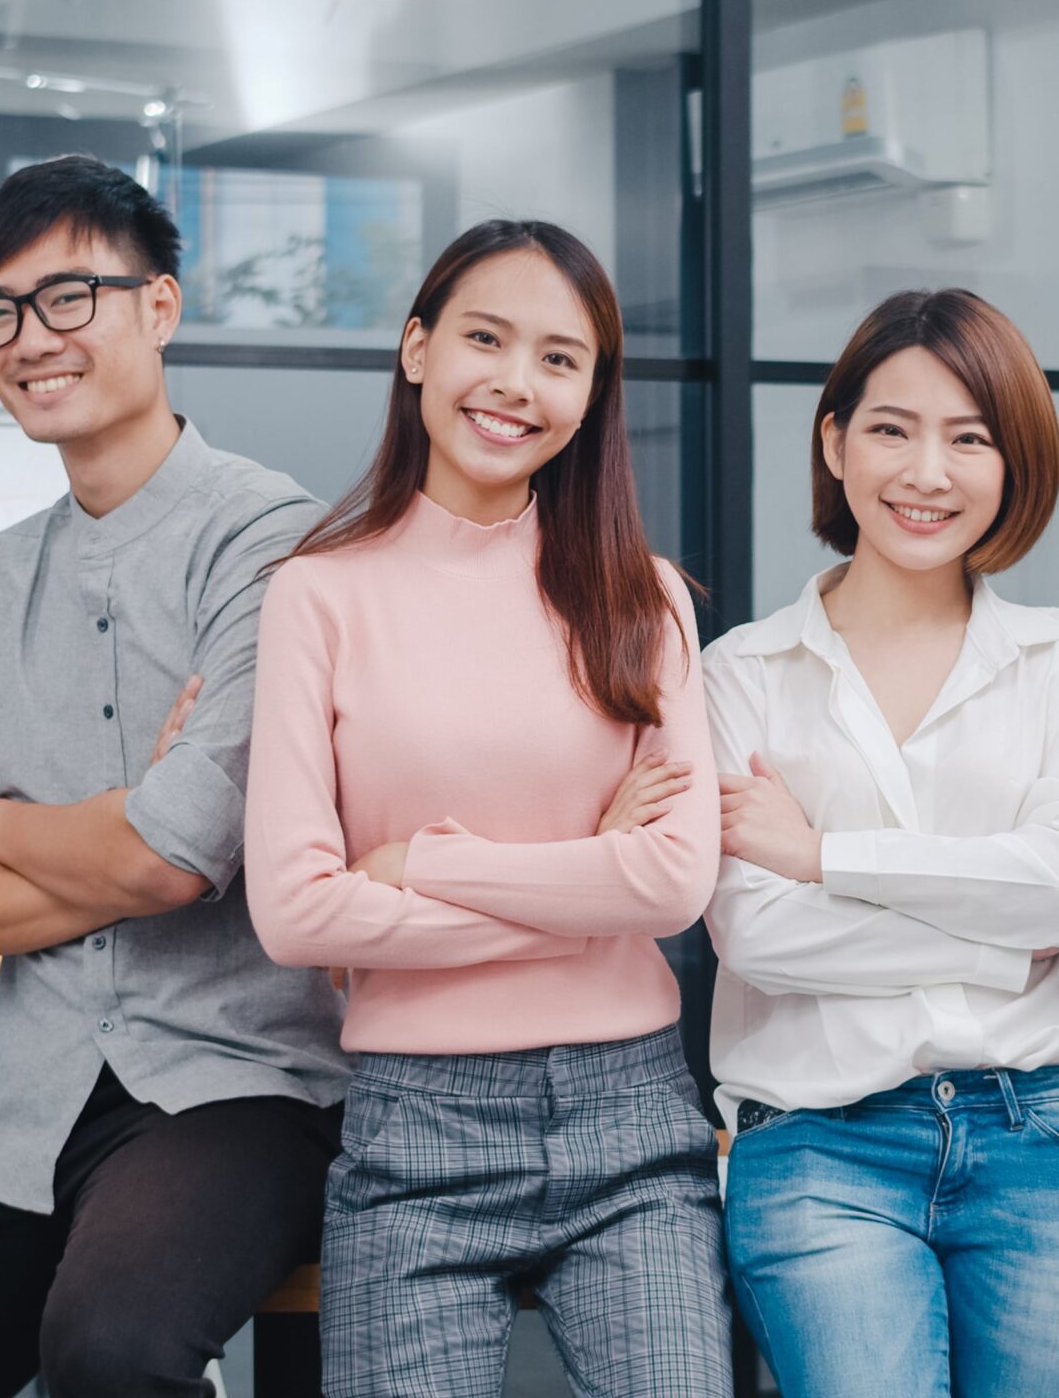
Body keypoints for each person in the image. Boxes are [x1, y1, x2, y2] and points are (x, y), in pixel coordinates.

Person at [0, 156, 345, 1398]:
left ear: (162, 307)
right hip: (29, 1104)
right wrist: (129, 855)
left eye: (71, 296)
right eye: (0, 311)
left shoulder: (275, 546)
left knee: (113, 1352)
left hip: (239, 1087)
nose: (30, 339)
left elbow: (169, 848)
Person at [244, 218, 728, 1397]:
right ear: (416, 350)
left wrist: (424, 864)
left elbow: (671, 883)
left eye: (560, 359)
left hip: (634, 1119)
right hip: (416, 1132)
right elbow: (298, 918)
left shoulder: (643, 598)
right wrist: (583, 882)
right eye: (485, 339)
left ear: (592, 393)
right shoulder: (316, 596)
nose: (517, 384)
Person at [704, 289, 1059, 1398]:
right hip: (817, 1141)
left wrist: (822, 858)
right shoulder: (739, 673)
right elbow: (760, 938)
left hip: (1044, 1129)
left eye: (970, 438)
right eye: (893, 429)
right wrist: (999, 945)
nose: (927, 473)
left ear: (1014, 463)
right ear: (833, 440)